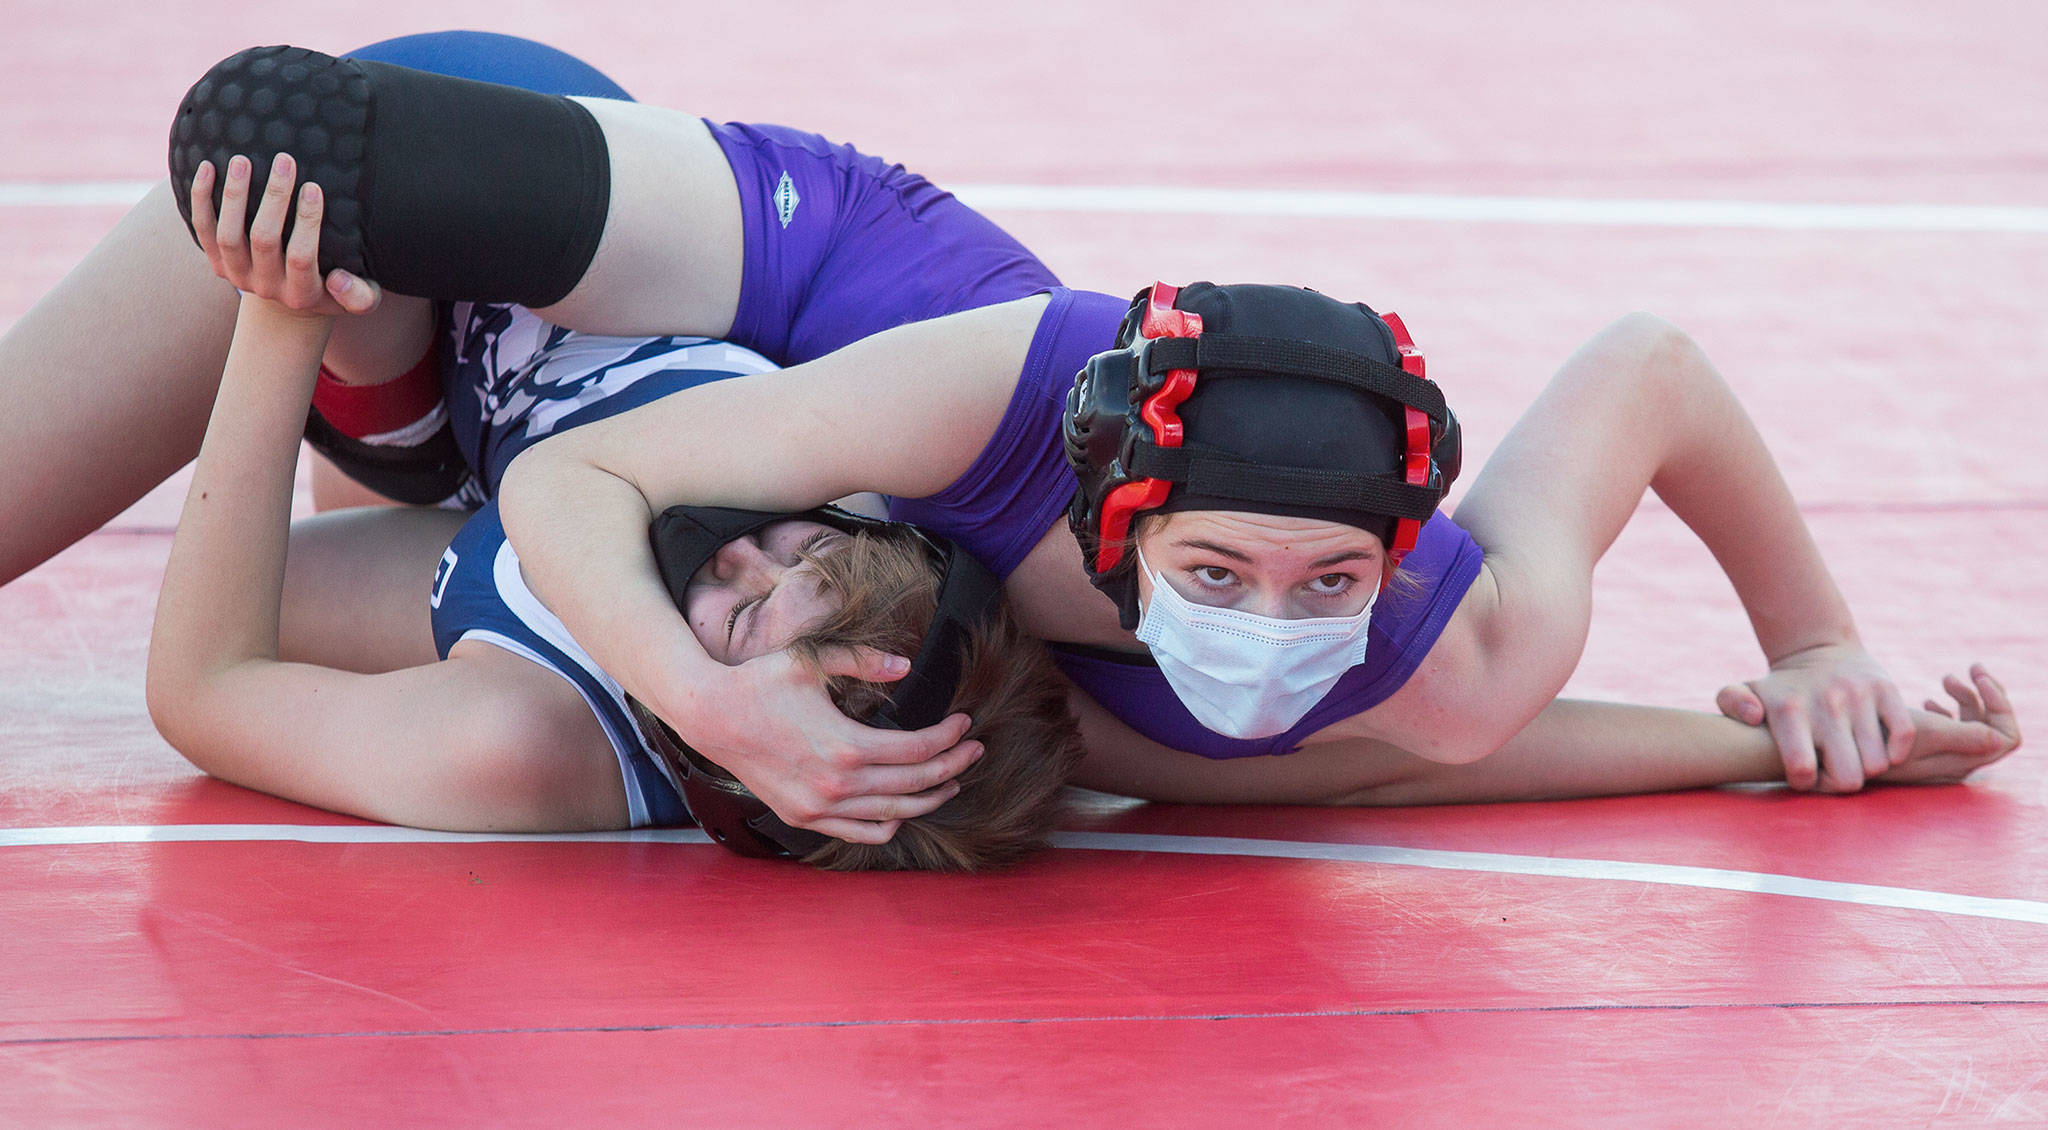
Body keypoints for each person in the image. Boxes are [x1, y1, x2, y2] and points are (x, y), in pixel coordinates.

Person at [156, 40, 2023, 846]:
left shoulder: (1247, 709)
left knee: (387, 409)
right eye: (1218, 574)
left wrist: (1778, 755)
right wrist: (1809, 649)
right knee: (319, 154)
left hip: (443, 418)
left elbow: (1411, 768)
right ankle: (383, 364)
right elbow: (1649, 364)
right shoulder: (954, 429)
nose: (1272, 626)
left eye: (1327, 590)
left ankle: (381, 399)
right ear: (1098, 532)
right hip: (804, 268)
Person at [143, 151, 1083, 869]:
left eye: (746, 614)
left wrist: (282, 310)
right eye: (813, 546)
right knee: (302, 159)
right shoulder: (877, 496)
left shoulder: (514, 742)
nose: (740, 554)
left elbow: (204, 683)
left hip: (383, 373)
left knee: (274, 565)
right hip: (473, 185)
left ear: (736, 775)